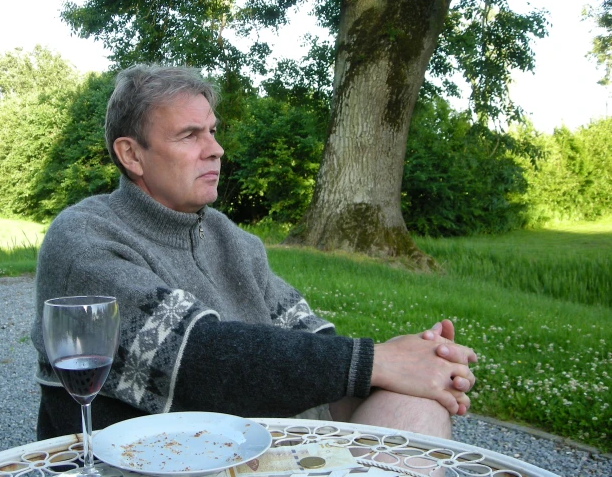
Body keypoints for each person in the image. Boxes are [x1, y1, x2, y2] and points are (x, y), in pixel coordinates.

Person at [31, 64, 477, 441]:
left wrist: (423, 366)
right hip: (159, 455)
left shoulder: (231, 238)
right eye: (190, 136)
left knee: (419, 401)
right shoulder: (84, 240)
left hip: (263, 446)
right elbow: (195, 361)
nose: (216, 149)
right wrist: (375, 361)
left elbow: (307, 341)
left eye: (212, 131)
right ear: (131, 154)